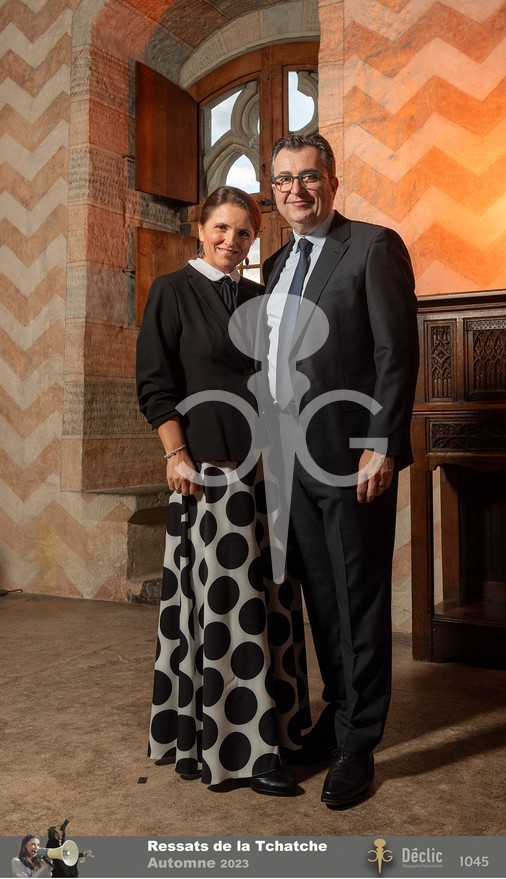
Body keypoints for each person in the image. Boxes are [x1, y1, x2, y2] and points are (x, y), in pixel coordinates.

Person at [263, 133, 420, 807]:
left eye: (308, 176)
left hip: (352, 456)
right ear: (273, 191)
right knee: (322, 596)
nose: (296, 189)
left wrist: (381, 443)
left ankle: (359, 743)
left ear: (332, 180)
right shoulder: (276, 263)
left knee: (359, 596)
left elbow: (395, 353)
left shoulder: (372, 247)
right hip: (288, 459)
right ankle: (339, 712)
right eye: (284, 180)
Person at [136, 185, 309, 797]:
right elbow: (154, 384)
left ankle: (280, 733)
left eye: (244, 232)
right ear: (200, 228)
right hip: (210, 470)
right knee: (229, 608)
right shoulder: (171, 291)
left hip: (267, 471)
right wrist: (175, 454)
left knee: (272, 602)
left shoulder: (260, 298)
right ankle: (243, 753)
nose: (231, 241)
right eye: (222, 228)